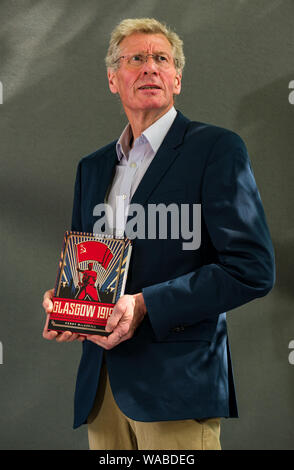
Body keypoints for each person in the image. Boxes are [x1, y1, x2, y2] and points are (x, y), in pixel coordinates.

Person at [42, 18, 275, 450]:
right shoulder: (91, 168)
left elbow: (252, 270)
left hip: (177, 386)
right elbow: (87, 264)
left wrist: (145, 305)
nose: (150, 67)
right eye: (136, 58)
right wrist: (66, 305)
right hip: (102, 389)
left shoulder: (216, 149)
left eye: (161, 59)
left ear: (176, 79)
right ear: (114, 79)